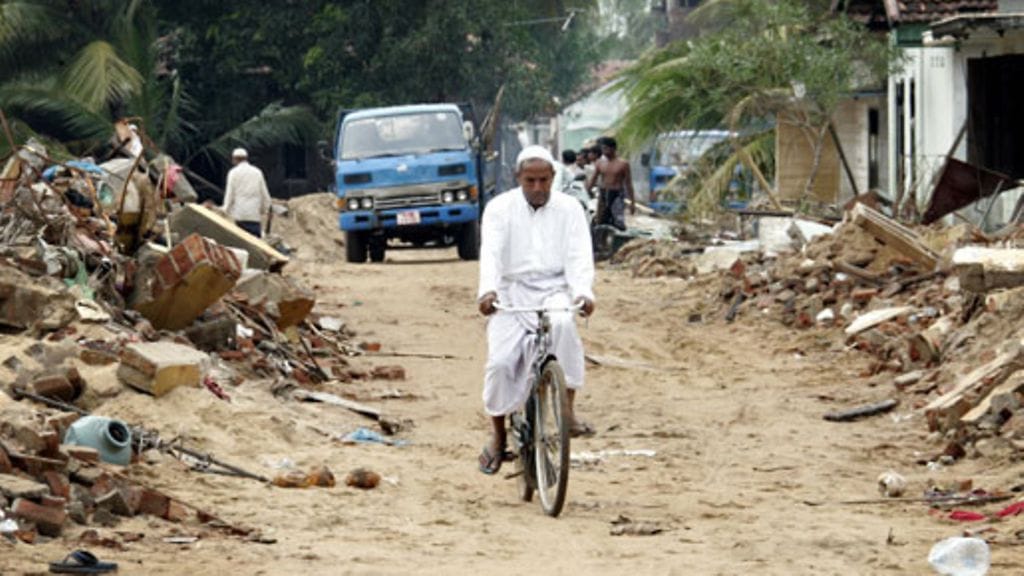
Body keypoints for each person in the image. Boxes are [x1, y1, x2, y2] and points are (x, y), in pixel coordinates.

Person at [476, 145, 596, 475]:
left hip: (555, 288)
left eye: (544, 180)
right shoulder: (499, 208)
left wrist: (583, 292)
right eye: (531, 181)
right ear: (518, 178)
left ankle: (567, 409)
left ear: (553, 178)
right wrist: (488, 291)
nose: (538, 188)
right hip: (511, 292)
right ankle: (498, 435)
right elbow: (492, 255)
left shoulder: (570, 208)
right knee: (500, 363)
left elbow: (579, 256)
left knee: (563, 327)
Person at [585, 137, 635, 230]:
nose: (604, 151)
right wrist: (587, 192)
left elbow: (628, 184)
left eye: (606, 148)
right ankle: (600, 242)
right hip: (603, 193)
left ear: (613, 148)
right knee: (601, 221)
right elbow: (593, 179)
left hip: (617, 195)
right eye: (603, 149)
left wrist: (632, 203)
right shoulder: (600, 163)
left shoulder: (623, 164)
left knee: (618, 222)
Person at [222, 147, 271, 238]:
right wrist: (265, 209)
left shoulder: (233, 173)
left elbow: (229, 195)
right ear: (246, 158)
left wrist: (225, 210)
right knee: (256, 242)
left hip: (240, 215)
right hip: (254, 215)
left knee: (242, 242)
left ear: (234, 159)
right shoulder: (257, 172)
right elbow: (265, 194)